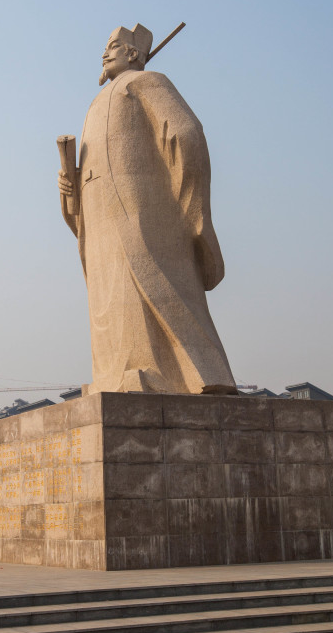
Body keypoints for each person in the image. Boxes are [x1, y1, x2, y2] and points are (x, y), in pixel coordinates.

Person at [58, 23, 236, 395]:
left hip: (140, 207)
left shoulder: (146, 82)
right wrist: (69, 186)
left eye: (113, 47)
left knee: (158, 283)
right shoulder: (96, 103)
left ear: (134, 54)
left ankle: (192, 375)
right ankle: (119, 372)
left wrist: (191, 205)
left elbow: (185, 133)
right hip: (98, 212)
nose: (105, 54)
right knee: (110, 294)